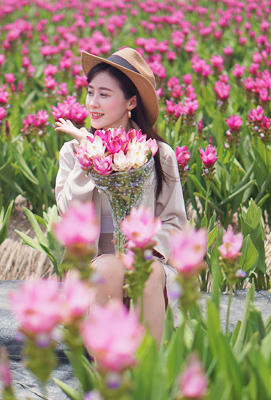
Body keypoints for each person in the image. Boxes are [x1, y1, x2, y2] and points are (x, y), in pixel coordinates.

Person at [54, 47, 188, 343]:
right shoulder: (72, 152)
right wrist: (88, 154)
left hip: (146, 258)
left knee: (148, 271)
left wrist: (143, 250)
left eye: (104, 94)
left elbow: (175, 224)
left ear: (131, 102)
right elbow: (69, 214)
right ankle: (106, 364)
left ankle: (150, 370)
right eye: (90, 93)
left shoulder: (158, 154)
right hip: (93, 263)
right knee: (108, 267)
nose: (93, 103)